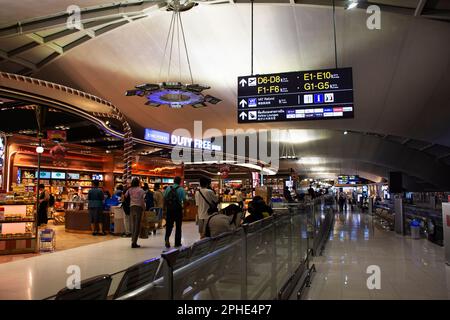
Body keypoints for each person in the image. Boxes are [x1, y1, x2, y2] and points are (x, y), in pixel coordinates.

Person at [164, 176, 186, 248]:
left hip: (169, 209)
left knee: (169, 225)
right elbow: (185, 200)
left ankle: (167, 239)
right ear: (180, 182)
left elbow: (164, 198)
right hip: (178, 209)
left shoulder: (168, 188)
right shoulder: (181, 189)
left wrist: (165, 208)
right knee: (178, 226)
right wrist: (184, 209)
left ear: (173, 181)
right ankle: (177, 242)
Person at [125, 178, 146, 248]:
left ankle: (133, 240)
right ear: (138, 183)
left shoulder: (129, 190)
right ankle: (134, 242)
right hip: (138, 208)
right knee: (137, 225)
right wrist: (144, 207)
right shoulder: (141, 190)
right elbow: (142, 200)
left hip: (131, 207)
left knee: (133, 224)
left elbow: (125, 196)